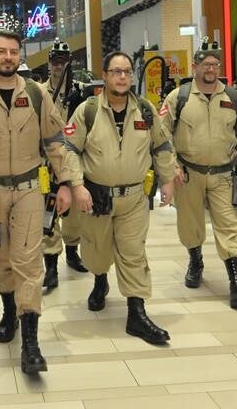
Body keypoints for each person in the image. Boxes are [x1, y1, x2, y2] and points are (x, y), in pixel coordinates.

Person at [0, 30, 77, 375]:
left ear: (20, 56)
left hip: (29, 189)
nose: (7, 57)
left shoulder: (35, 93)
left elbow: (55, 141)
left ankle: (30, 341)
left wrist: (65, 183)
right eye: (1, 51)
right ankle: (9, 309)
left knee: (28, 262)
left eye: (13, 52)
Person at [66, 51, 175, 344]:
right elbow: (69, 149)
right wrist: (77, 185)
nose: (122, 77)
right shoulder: (87, 111)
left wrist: (167, 180)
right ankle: (100, 280)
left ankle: (136, 314)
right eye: (116, 71)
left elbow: (162, 146)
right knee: (97, 253)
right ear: (105, 75)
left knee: (133, 253)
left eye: (127, 71)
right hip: (97, 199)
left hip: (135, 199)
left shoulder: (145, 110)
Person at [159, 47, 237, 309]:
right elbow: (162, 134)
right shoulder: (178, 97)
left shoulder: (233, 97)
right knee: (190, 225)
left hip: (224, 175)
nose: (210, 69)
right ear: (194, 67)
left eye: (215, 64)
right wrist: (172, 167)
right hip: (188, 175)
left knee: (230, 226)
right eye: (205, 64)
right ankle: (195, 261)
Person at [40, 39, 88, 291]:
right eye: (55, 62)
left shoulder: (81, 91)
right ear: (49, 64)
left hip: (74, 159)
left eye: (63, 62)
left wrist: (81, 101)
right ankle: (50, 266)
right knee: (48, 212)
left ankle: (72, 252)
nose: (58, 66)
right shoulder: (39, 92)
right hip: (46, 162)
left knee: (75, 213)